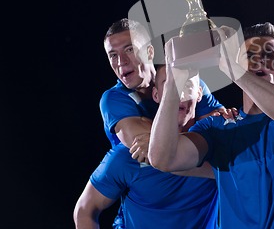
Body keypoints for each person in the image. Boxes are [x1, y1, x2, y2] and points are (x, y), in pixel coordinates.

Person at [148, 22, 274, 228]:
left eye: (269, 54)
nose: (259, 60)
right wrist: (174, 80)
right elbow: (163, 158)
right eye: (249, 56)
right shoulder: (217, 127)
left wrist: (234, 69)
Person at [97, 18, 227, 227]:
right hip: (147, 198)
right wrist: (216, 162)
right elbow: (159, 153)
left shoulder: (185, 80)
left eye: (129, 49)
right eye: (113, 55)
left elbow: (223, 125)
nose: (121, 61)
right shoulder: (114, 99)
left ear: (149, 52)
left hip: (194, 198)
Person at [73, 64, 219, 229]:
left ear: (200, 93)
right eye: (170, 85)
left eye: (186, 85)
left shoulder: (218, 149)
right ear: (156, 95)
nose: (178, 93)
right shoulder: (130, 155)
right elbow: (84, 211)